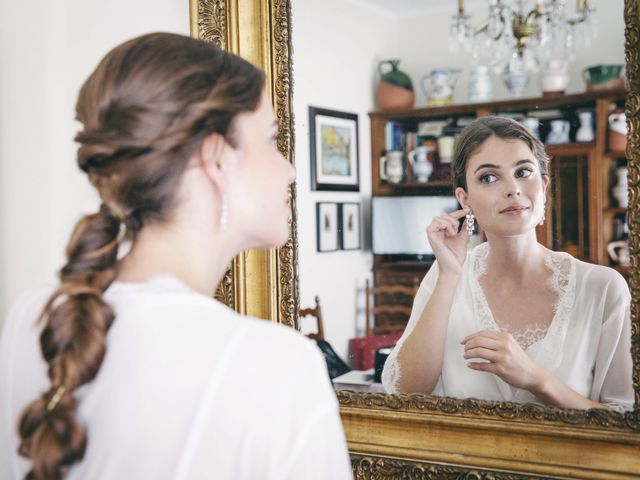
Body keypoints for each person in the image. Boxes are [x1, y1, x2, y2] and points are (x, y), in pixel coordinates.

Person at [0, 32, 352, 480]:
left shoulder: (30, 320)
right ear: (215, 157)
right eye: (271, 140)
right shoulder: (276, 365)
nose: (289, 170)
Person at [382, 116, 633, 412]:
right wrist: (449, 275)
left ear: (543, 185)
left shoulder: (603, 288)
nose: (512, 188)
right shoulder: (447, 275)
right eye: (489, 177)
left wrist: (537, 380)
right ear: (465, 199)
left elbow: (626, 421)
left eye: (523, 172)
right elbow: (403, 392)